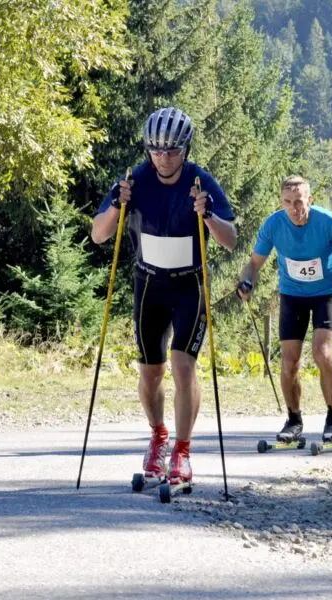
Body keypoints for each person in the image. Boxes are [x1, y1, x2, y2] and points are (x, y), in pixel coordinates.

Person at [91, 107, 237, 486]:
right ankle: (158, 436)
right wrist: (118, 204)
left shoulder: (200, 181)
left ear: (185, 149)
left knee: (183, 366)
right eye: (156, 150)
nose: (164, 157)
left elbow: (230, 240)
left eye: (172, 150)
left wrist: (207, 215)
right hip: (149, 285)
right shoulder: (133, 180)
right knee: (151, 372)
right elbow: (99, 234)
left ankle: (183, 451)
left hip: (189, 285)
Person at [236, 176, 332, 443]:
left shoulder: (328, 222)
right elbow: (254, 263)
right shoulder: (273, 224)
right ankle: (294, 419)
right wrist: (246, 281)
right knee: (289, 361)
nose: (294, 208)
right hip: (292, 293)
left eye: (299, 202)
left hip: (327, 292)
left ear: (310, 200)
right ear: (281, 202)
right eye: (287, 202)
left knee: (322, 352)